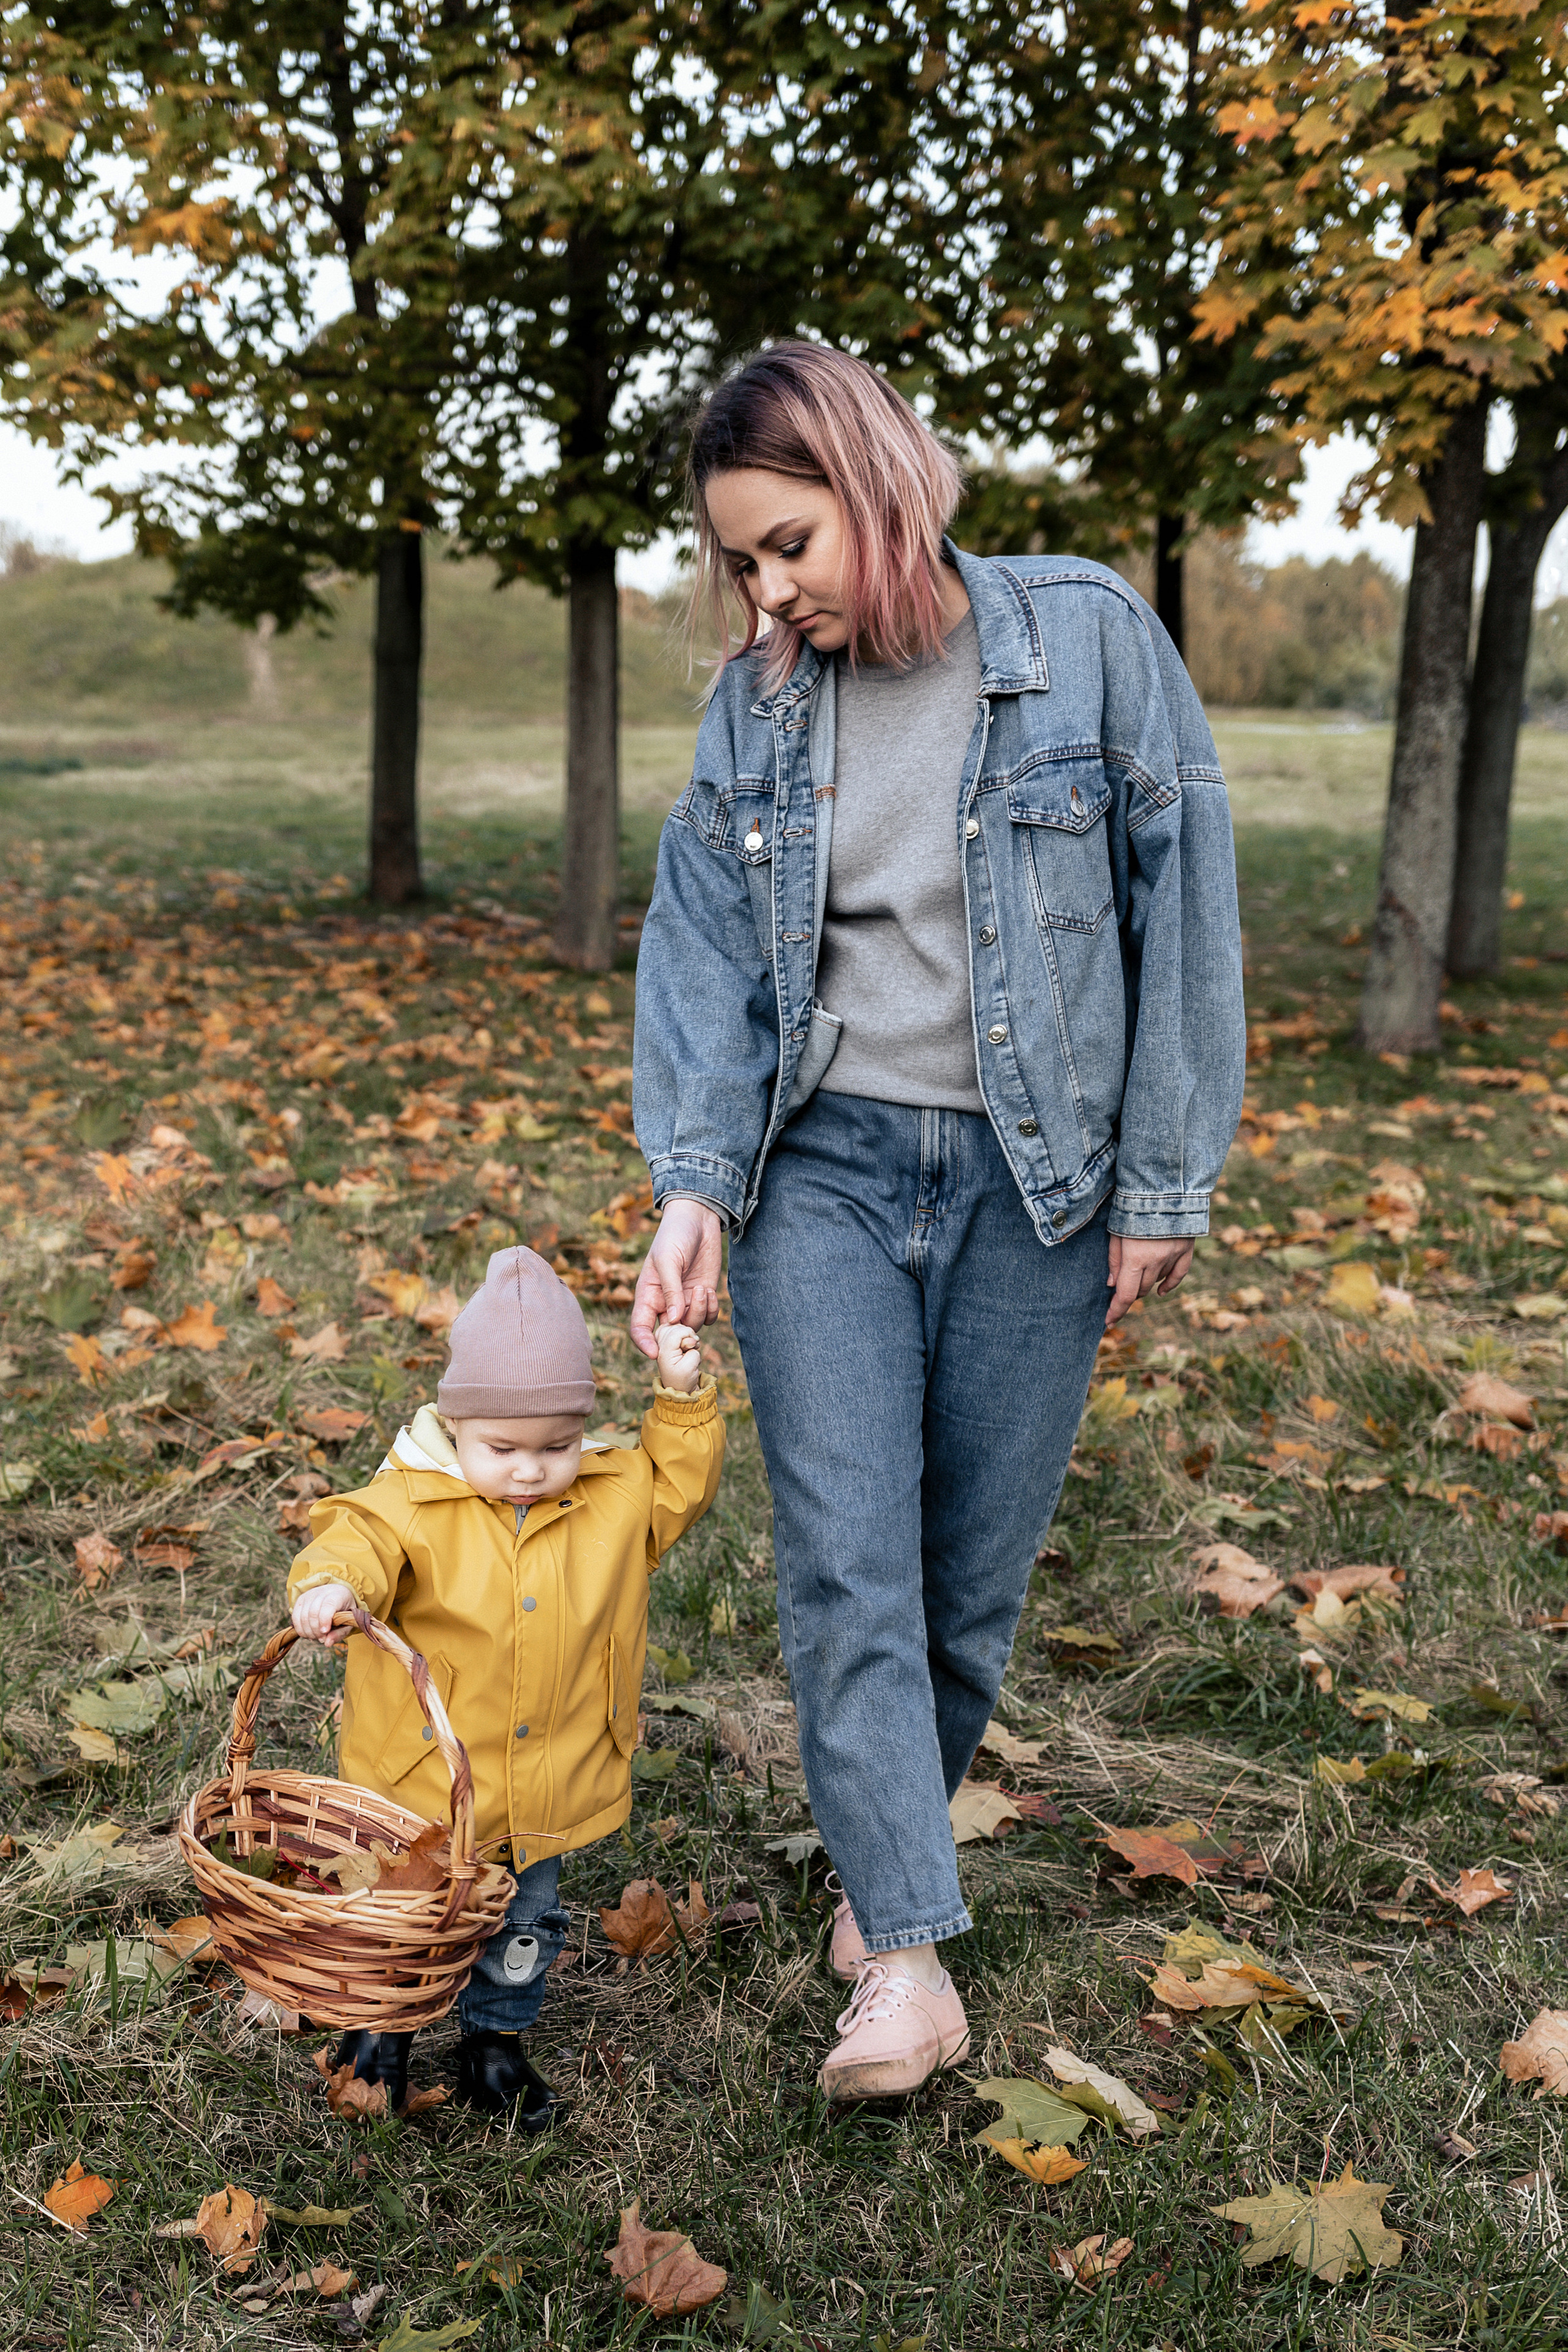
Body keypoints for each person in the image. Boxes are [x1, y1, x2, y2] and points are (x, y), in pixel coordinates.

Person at [630, 341, 1245, 2100]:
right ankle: (906, 1953)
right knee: (844, 1556)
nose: (765, 590)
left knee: (966, 1571)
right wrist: (695, 1185)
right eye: (741, 559)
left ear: (881, 484)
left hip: (1033, 1179)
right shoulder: (754, 706)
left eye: (790, 544)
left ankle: (882, 1857)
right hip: (819, 1167)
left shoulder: (1087, 642)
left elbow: (1182, 897)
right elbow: (701, 954)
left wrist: (1160, 1177)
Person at [287, 1245, 723, 2121]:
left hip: (547, 1775)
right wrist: (330, 1586)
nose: (531, 1468)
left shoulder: (609, 1495)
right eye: (504, 1447)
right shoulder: (412, 1499)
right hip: (422, 1779)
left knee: (525, 1923)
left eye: (557, 1445)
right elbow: (356, 1540)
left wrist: (680, 1401)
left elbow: (677, 1484)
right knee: (405, 1911)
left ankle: (497, 2041)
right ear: (455, 1428)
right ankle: (383, 2030)